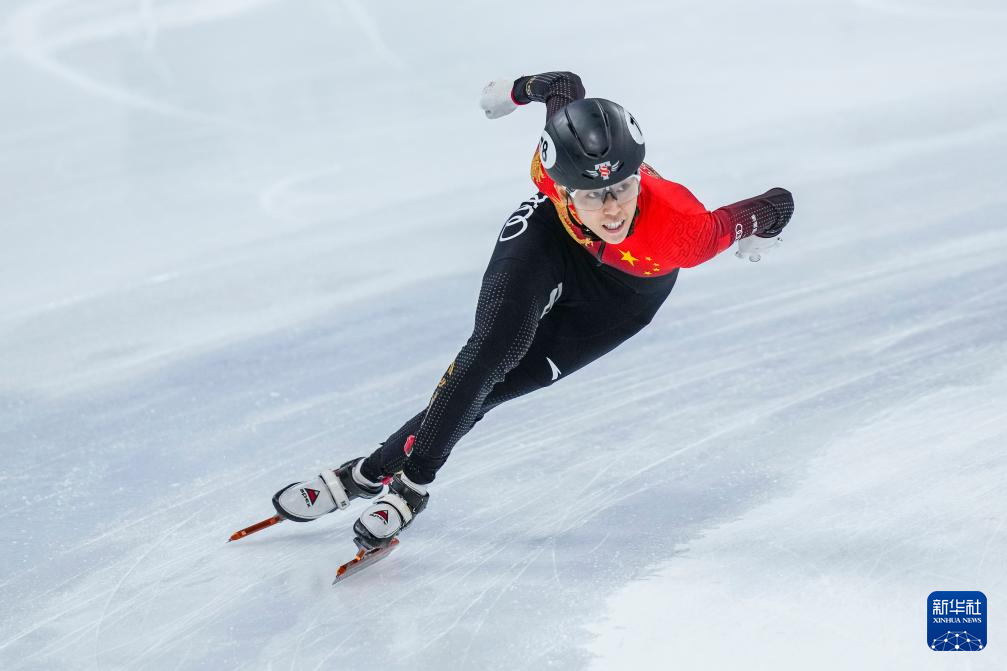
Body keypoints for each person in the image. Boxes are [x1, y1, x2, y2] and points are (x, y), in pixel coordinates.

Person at [271, 71, 795, 551]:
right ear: (561, 183)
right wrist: (515, 90)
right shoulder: (550, 169)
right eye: (592, 194)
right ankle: (413, 487)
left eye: (622, 188)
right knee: (492, 349)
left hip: (624, 294)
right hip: (551, 237)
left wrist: (763, 234)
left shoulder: (686, 233)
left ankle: (365, 473)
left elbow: (779, 201)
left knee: (498, 386)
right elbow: (562, 85)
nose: (611, 208)